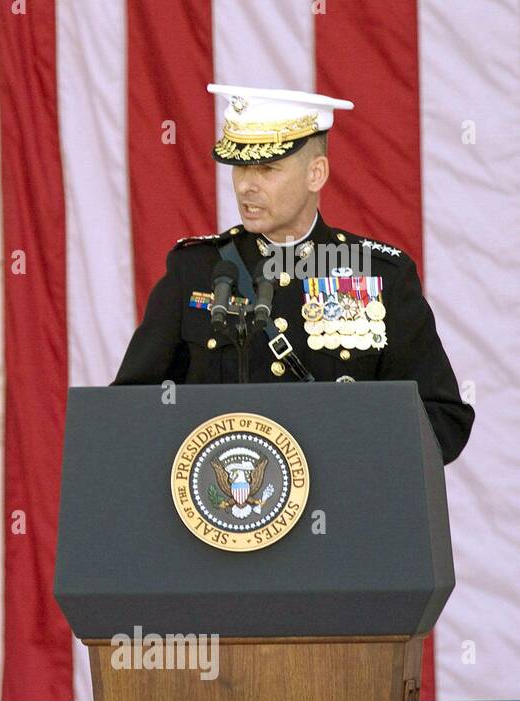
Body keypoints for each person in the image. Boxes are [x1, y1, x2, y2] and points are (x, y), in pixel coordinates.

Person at [114, 84, 473, 463]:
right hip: (221, 509)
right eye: (240, 168)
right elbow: (130, 406)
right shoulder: (197, 270)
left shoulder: (379, 274)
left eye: (268, 169)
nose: (247, 186)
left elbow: (443, 418)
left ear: (315, 173)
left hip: (342, 512)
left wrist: (356, 455)